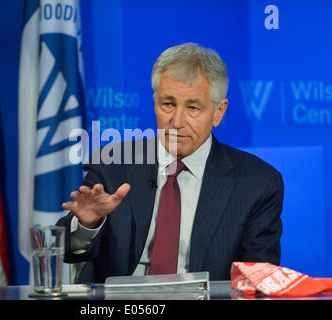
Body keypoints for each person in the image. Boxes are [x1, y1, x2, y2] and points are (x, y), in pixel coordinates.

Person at [58, 42, 284, 283]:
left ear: (219, 112)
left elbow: (257, 279)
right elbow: (65, 250)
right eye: (168, 104)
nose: (177, 121)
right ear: (155, 103)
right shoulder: (113, 164)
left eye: (193, 108)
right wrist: (87, 223)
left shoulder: (257, 182)